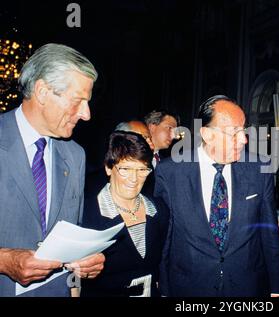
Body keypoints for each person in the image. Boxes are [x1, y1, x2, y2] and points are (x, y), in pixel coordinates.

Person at [154, 95, 279, 296]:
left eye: (243, 130)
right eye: (234, 132)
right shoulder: (170, 172)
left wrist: (277, 288)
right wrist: (163, 289)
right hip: (189, 288)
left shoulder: (259, 169)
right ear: (207, 134)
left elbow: (269, 233)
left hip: (247, 288)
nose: (244, 139)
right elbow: (165, 238)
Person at [0, 43, 105, 296]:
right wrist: (4, 261)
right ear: (43, 91)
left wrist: (86, 259)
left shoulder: (75, 155)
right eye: (78, 100)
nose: (86, 114)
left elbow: (72, 232)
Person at [81, 131, 168, 296]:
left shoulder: (158, 210)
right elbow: (75, 278)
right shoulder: (86, 214)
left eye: (142, 169)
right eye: (126, 169)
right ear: (108, 168)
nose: (134, 178)